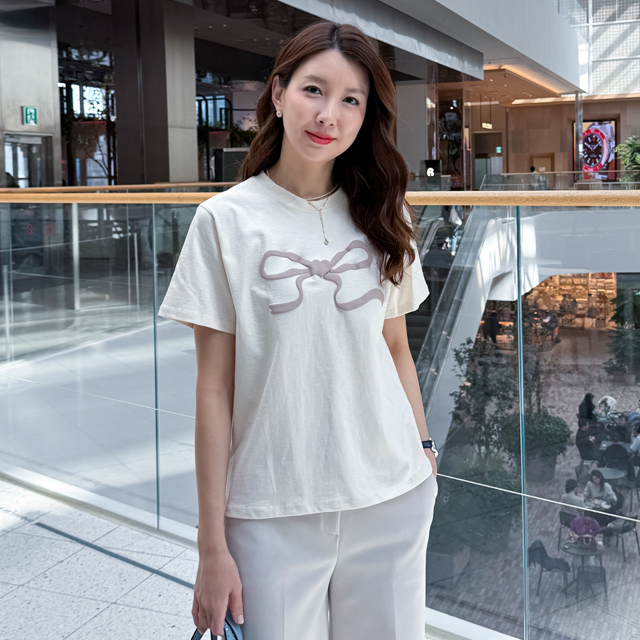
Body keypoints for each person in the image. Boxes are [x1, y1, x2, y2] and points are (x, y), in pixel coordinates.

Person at [157, 21, 438, 640]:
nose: (328, 115)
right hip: (270, 509)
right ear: (278, 93)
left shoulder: (386, 213)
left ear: (366, 116)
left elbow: (395, 347)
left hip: (391, 494)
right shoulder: (223, 222)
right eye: (314, 89)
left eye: (350, 99)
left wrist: (425, 451)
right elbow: (214, 389)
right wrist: (211, 546)